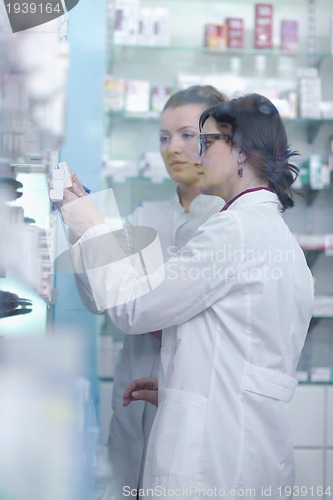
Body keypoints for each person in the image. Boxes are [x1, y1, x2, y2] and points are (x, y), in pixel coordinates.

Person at [61, 93, 314, 499]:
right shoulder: (272, 234)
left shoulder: (235, 230)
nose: (197, 155)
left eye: (207, 142)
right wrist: (181, 386)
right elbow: (244, 357)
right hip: (244, 449)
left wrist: (92, 226)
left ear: (242, 153)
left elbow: (132, 307)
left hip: (213, 465)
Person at [71, 85, 227, 498]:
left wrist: (132, 294)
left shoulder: (229, 224)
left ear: (219, 138)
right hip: (131, 407)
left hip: (193, 414)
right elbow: (100, 299)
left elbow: (151, 313)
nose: (172, 148)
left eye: (186, 134)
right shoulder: (146, 216)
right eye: (163, 136)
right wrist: (83, 229)